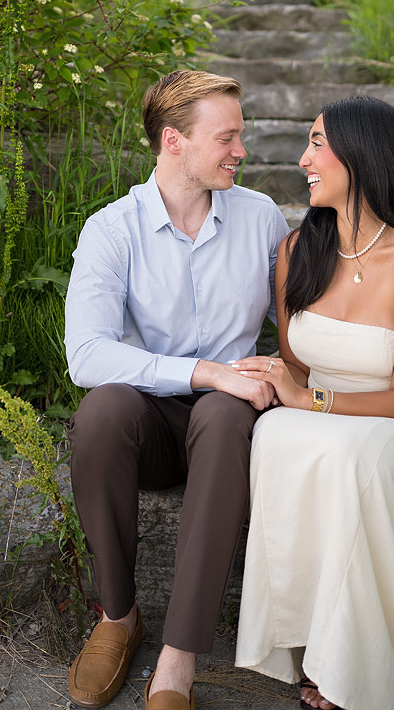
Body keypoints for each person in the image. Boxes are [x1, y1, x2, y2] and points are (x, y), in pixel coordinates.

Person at [232, 95, 394, 710]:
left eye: (317, 143)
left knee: (353, 460)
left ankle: (351, 665)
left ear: (364, 156)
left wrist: (309, 396)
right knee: (274, 436)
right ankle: (311, 646)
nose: (303, 158)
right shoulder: (298, 252)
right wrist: (280, 377)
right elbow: (296, 362)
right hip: (332, 427)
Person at [64, 70, 289, 710]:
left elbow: (301, 317)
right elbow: (87, 353)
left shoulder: (259, 218)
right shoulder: (111, 230)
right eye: (227, 139)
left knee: (221, 414)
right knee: (102, 407)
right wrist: (206, 371)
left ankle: (178, 660)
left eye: (239, 137)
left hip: (230, 425)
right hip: (154, 425)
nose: (240, 152)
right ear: (174, 142)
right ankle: (118, 615)